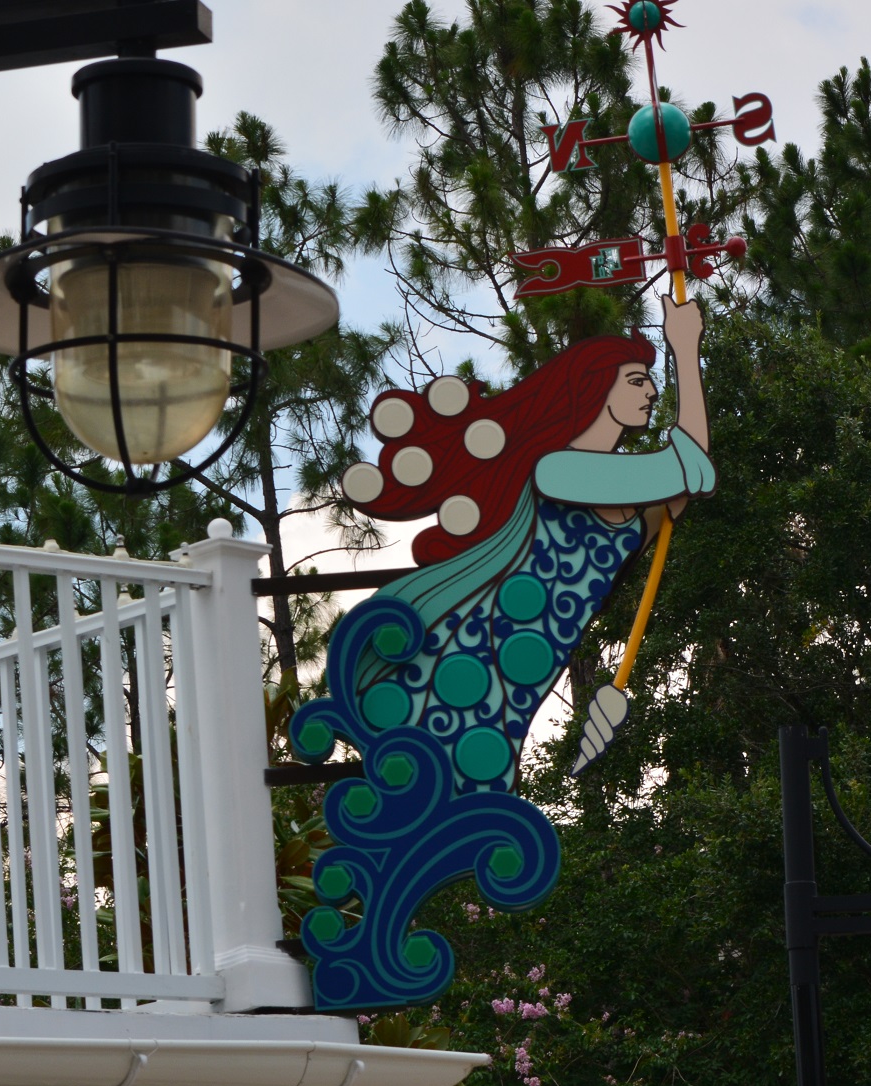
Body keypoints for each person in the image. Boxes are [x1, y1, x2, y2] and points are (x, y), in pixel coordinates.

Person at [301, 297, 714, 794]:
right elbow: (687, 468)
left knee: (475, 783)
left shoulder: (630, 508)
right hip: (479, 657)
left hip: (520, 671)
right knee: (453, 776)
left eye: (648, 379)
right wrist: (684, 348)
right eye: (635, 380)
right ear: (596, 387)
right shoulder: (559, 471)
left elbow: (687, 480)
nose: (651, 390)